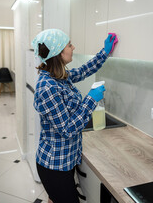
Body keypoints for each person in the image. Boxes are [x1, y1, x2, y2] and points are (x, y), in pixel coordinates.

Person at [31, 29, 116, 203]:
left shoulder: (59, 76)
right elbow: (67, 129)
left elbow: (84, 70)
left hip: (65, 160)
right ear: (58, 52)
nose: (73, 47)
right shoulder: (48, 87)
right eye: (69, 44)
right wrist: (91, 99)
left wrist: (104, 53)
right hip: (54, 166)